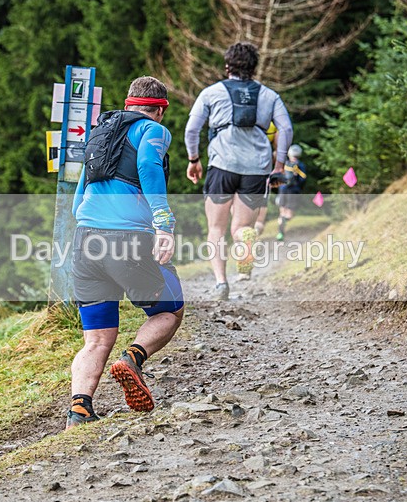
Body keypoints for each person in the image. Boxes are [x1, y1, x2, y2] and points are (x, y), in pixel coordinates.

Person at [67, 76, 185, 429]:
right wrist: (163, 223)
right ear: (159, 110)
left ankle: (79, 410)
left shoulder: (100, 134)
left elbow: (78, 200)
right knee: (171, 309)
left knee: (96, 338)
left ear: (128, 102)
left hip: (85, 240)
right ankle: (133, 359)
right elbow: (149, 166)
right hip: (126, 240)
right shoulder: (153, 130)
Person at [185, 42, 293, 298]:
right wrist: (279, 164)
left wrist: (194, 159)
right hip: (256, 168)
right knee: (243, 227)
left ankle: (222, 282)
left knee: (216, 228)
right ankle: (245, 250)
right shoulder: (269, 96)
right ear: (254, 68)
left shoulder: (211, 93)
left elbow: (191, 129)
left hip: (222, 165)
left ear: (227, 67)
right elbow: (286, 129)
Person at [276, 144, 307, 241]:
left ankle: (280, 233)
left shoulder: (285, 164)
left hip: (283, 190)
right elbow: (303, 179)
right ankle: (282, 228)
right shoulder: (300, 165)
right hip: (293, 191)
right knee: (289, 214)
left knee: (282, 212)